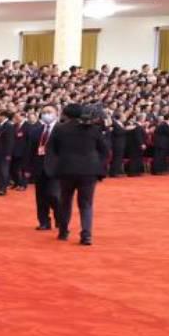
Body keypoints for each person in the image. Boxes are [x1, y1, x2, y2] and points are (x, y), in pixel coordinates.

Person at [45, 102, 110, 247]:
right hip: (89, 171)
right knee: (86, 204)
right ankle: (86, 235)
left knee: (65, 201)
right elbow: (105, 151)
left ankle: (63, 231)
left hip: (66, 169)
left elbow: (52, 150)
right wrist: (98, 164)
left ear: (65, 115)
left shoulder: (60, 129)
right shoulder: (94, 129)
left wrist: (56, 165)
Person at [30, 105, 60, 231]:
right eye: (44, 112)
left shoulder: (61, 130)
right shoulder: (37, 130)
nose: (46, 114)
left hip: (55, 168)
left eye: (49, 112)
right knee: (41, 197)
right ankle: (44, 222)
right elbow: (31, 150)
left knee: (53, 195)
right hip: (39, 167)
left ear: (56, 114)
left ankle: (60, 218)